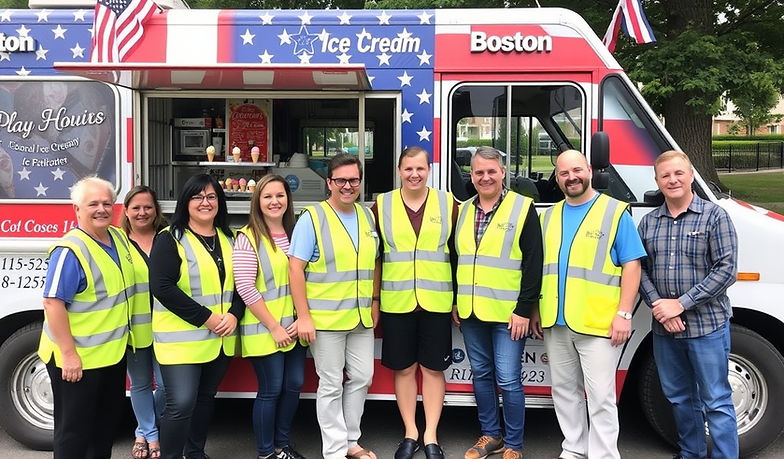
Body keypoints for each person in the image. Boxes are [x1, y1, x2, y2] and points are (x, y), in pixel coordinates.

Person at [531, 150, 645, 459]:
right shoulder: (549, 216)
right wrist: (535, 311)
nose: (572, 177)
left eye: (577, 170)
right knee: (564, 392)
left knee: (601, 397)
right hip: (556, 320)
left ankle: (604, 454)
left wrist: (624, 313)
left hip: (599, 322)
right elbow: (540, 268)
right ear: (557, 178)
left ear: (590, 171)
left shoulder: (614, 211)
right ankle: (574, 448)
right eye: (564, 173)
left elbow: (632, 266)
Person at [638, 150, 738, 459]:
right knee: (680, 399)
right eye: (665, 175)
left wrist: (680, 304)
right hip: (665, 330)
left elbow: (726, 270)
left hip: (707, 326)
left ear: (690, 175)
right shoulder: (648, 223)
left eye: (678, 173)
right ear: (657, 181)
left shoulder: (714, 216)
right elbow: (638, 269)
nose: (672, 180)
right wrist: (660, 307)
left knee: (716, 401)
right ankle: (691, 453)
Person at [453, 147, 543, 459]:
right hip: (471, 309)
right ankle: (490, 435)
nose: (485, 177)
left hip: (509, 314)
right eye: (479, 172)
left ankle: (514, 444)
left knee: (508, 378)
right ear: (472, 176)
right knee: (481, 374)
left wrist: (524, 308)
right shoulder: (463, 210)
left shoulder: (522, 208)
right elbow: (457, 259)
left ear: (502, 172)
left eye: (492, 171)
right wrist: (455, 300)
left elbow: (534, 262)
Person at [39, 175, 137, 459]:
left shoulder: (117, 237)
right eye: (93, 203)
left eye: (107, 203)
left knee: (103, 430)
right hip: (77, 361)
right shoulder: (70, 251)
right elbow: (52, 303)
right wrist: (68, 354)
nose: (101, 209)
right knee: (74, 434)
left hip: (110, 356)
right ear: (77, 210)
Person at [289, 153, 379, 459]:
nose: (348, 185)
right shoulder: (312, 218)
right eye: (340, 180)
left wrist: (375, 301)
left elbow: (375, 262)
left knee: (363, 377)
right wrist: (304, 316)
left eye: (354, 179)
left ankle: (351, 440)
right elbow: (295, 268)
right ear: (329, 182)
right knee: (330, 385)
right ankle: (335, 451)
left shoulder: (367, 216)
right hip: (324, 319)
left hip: (360, 318)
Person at [150, 173, 243, 459]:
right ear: (185, 202)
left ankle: (195, 453)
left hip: (220, 339)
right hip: (181, 343)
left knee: (204, 400)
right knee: (181, 403)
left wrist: (235, 314)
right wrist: (208, 318)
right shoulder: (169, 239)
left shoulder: (231, 238)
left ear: (220, 202)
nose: (205, 202)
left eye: (212, 196)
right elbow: (162, 287)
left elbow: (244, 283)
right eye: (197, 196)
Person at [371, 147, 457, 459]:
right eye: (408, 169)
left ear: (429, 169)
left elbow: (459, 254)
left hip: (436, 301)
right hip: (397, 302)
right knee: (404, 369)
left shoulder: (448, 204)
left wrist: (458, 300)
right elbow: (376, 257)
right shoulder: (382, 205)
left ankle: (431, 435)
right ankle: (411, 431)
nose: (414, 174)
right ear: (399, 170)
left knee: (433, 370)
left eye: (420, 168)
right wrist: (376, 298)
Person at [233, 175, 307, 459]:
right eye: (267, 197)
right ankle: (266, 452)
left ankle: (282, 445)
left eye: (280, 195)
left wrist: (302, 318)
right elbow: (245, 286)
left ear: (288, 199)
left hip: (296, 327)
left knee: (294, 384)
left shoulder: (297, 233)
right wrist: (275, 327)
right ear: (257, 202)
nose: (275, 202)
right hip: (266, 330)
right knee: (271, 389)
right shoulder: (247, 237)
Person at [122, 185, 167, 459]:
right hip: (134, 327)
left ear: (156, 210)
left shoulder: (168, 237)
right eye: (136, 208)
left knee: (166, 386)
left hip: (166, 326)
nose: (142, 213)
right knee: (139, 385)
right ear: (126, 211)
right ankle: (150, 435)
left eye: (147, 207)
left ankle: (142, 431)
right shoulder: (117, 241)